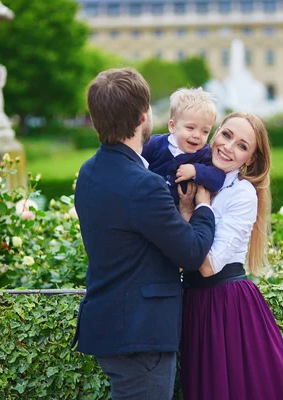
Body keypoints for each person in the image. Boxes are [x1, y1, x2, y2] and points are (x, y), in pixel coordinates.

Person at [72, 68, 216, 399]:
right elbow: (192, 252)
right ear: (143, 117)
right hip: (140, 332)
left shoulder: (90, 170)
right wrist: (203, 205)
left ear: (96, 120)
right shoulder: (143, 184)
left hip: (111, 324)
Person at [179, 112, 283, 399]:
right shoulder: (190, 175)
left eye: (242, 145)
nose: (228, 146)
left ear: (249, 159)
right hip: (195, 303)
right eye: (226, 135)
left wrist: (196, 208)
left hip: (227, 307)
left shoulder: (242, 193)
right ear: (215, 134)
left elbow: (208, 265)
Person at [142, 88, 225, 205]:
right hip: (147, 202)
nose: (197, 135)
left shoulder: (204, 154)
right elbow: (135, 160)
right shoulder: (156, 144)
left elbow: (218, 178)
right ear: (172, 126)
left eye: (205, 131)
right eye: (190, 128)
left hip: (177, 214)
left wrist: (196, 170)